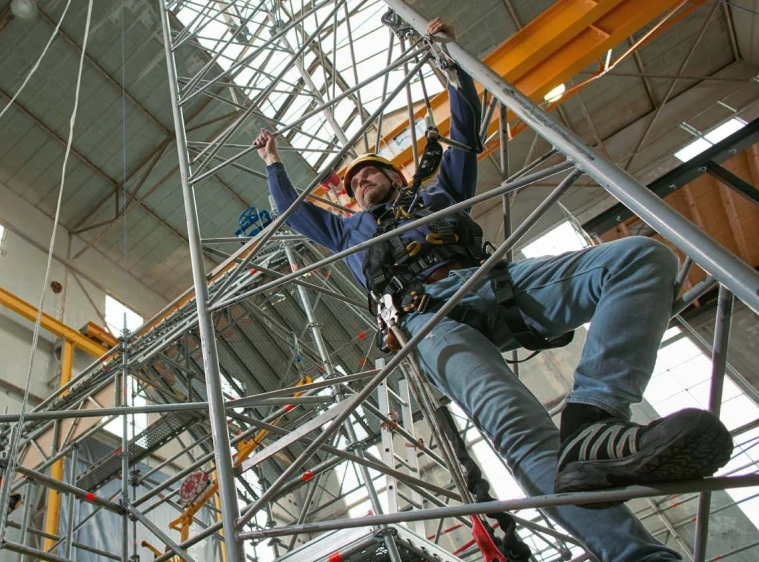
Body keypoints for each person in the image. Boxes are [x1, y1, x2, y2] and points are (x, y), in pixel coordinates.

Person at [252, 16, 734, 562]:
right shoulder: (346, 232)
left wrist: (451, 65)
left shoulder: (436, 194)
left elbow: (464, 134)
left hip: (490, 285)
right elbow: (293, 213)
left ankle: (594, 418)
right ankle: (636, 557)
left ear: (396, 176)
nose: (360, 184)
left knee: (640, 259)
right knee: (517, 428)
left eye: (369, 174)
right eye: (354, 184)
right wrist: (273, 164)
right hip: (427, 320)